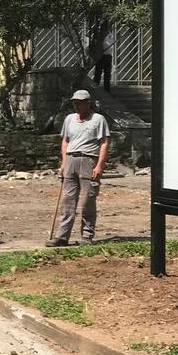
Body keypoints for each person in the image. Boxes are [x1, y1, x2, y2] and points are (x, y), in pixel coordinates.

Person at [46, 89, 110, 247]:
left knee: (88, 200)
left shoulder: (98, 119)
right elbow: (65, 141)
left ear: (88, 103)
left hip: (89, 160)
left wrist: (99, 166)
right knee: (67, 200)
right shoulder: (69, 119)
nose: (77, 105)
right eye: (75, 102)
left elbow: (104, 143)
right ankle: (61, 236)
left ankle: (87, 236)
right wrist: (64, 162)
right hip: (71, 159)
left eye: (80, 103)